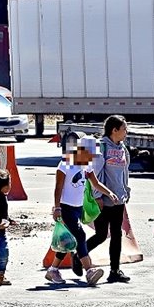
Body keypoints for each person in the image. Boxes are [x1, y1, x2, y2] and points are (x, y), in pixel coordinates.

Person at [45, 134, 117, 286]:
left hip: (77, 208)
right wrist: (57, 208)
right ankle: (89, 270)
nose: (91, 157)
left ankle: (53, 270)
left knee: (67, 241)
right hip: (65, 208)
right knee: (80, 235)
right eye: (89, 153)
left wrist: (109, 193)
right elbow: (58, 188)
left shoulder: (86, 165)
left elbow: (95, 183)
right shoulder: (64, 165)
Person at [88, 115, 132, 283]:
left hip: (118, 200)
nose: (126, 133)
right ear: (114, 130)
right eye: (124, 129)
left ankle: (115, 270)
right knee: (100, 235)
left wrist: (126, 191)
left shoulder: (123, 149)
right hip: (104, 200)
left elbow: (125, 172)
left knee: (116, 234)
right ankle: (79, 256)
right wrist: (98, 196)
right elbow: (94, 175)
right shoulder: (101, 147)